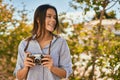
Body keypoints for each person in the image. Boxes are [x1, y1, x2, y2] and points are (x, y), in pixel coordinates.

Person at [13, 4, 72, 80]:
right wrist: (25, 68)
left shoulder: (61, 43)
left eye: (54, 17)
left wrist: (52, 67)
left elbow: (66, 73)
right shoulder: (24, 44)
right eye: (49, 16)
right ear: (38, 19)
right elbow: (19, 76)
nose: (53, 20)